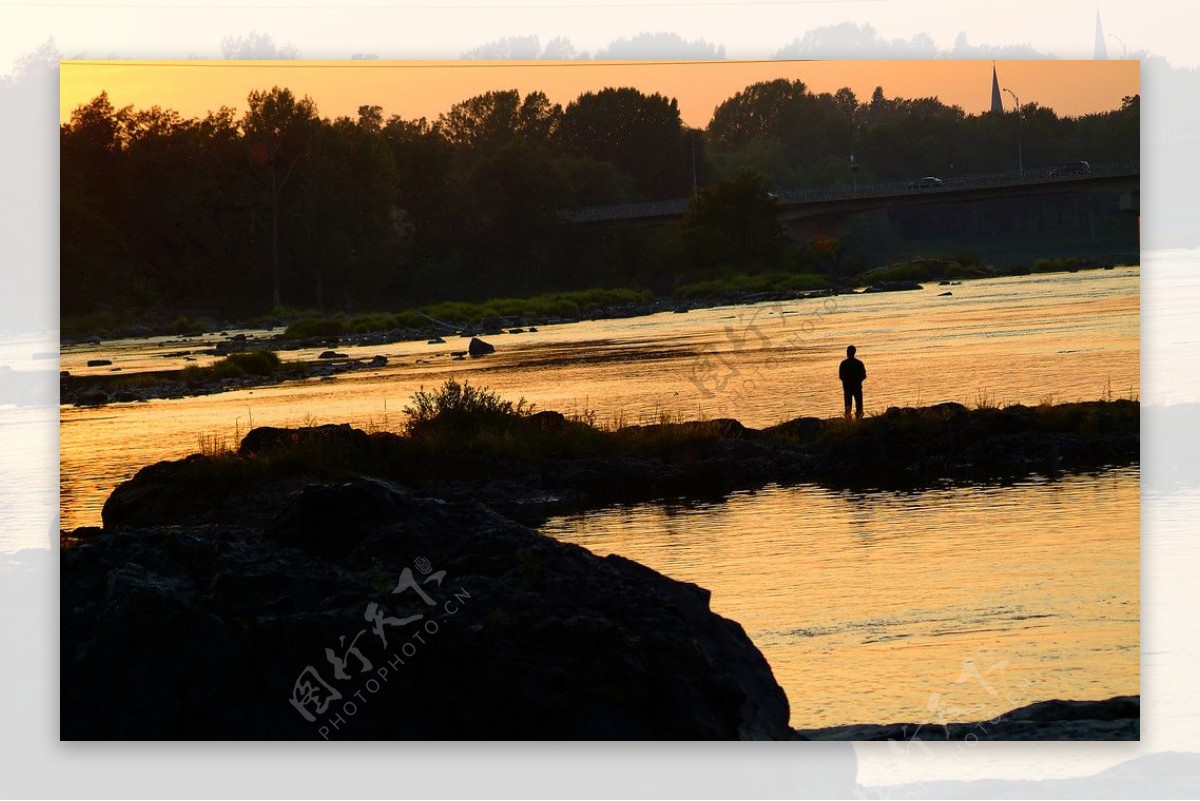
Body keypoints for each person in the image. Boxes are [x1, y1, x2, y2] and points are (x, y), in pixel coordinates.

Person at [838, 345, 866, 419]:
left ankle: (849, 422)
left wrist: (848, 381)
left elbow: (841, 376)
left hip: (848, 388)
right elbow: (863, 376)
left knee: (848, 407)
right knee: (858, 407)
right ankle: (859, 421)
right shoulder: (859, 363)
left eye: (847, 351)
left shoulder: (844, 364)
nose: (847, 353)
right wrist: (857, 380)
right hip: (856, 387)